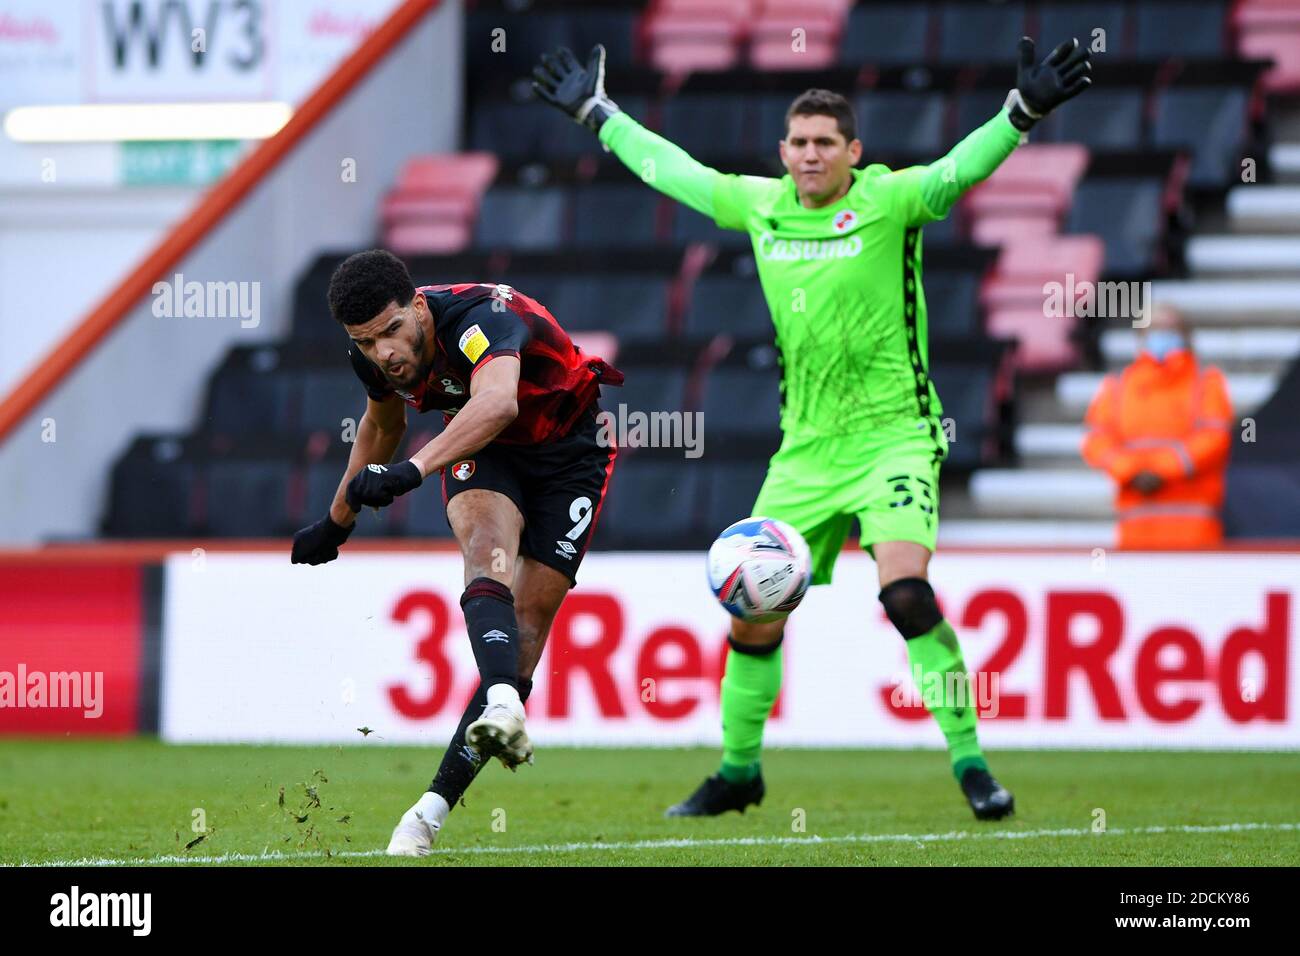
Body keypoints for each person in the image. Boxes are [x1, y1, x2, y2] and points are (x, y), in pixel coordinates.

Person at [532, 37, 1092, 821]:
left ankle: (971, 763)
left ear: (854, 152)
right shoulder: (761, 204)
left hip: (898, 434)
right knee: (752, 612)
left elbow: (959, 170)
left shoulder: (892, 200)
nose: (808, 155)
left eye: (824, 143)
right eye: (797, 142)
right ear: (783, 150)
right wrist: (600, 114)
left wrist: (1020, 113)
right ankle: (738, 771)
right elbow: (677, 172)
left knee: (904, 594)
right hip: (806, 447)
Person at [289, 250, 622, 855]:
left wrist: (411, 472)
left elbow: (498, 402)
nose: (383, 352)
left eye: (391, 331)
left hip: (571, 451)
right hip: (486, 448)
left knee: (527, 628)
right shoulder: (374, 357)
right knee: (486, 548)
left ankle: (430, 809)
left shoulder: (480, 319)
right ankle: (501, 703)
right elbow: (381, 427)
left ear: (418, 306)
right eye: (366, 343)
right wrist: (336, 522)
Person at [1082, 302, 1233, 548]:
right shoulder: (1117, 387)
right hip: (1136, 527)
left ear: (1186, 335)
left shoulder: (1207, 383)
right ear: (1140, 338)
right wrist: (1130, 469)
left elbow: (1214, 438)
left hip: (1194, 530)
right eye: (1153, 330)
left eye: (1170, 329)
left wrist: (1160, 469)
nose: (1162, 337)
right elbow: (1096, 441)